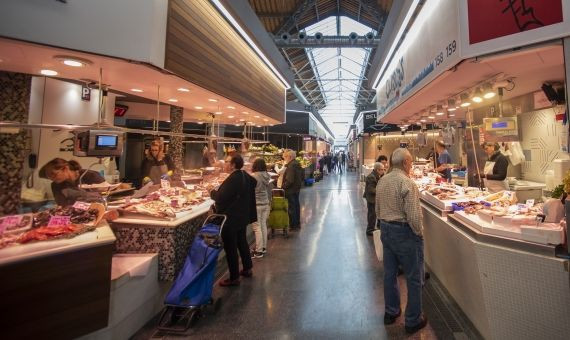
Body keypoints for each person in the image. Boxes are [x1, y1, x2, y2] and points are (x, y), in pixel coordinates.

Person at [376, 148, 427, 334]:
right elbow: (413, 216)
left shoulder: (383, 180)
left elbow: (377, 208)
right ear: (405, 163)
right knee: (413, 277)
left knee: (390, 274)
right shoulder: (407, 183)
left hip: (386, 230)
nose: (411, 166)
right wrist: (419, 234)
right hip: (404, 233)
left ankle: (391, 312)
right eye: (411, 163)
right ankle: (413, 320)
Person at [210, 154, 257, 286]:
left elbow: (220, 197)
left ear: (233, 165)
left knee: (231, 248)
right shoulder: (244, 175)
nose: (224, 163)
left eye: (226, 162)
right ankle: (247, 268)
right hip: (242, 216)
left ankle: (234, 277)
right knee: (242, 242)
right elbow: (254, 182)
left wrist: (211, 192)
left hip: (230, 219)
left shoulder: (233, 178)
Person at [39, 158, 105, 207]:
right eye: (49, 177)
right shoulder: (56, 185)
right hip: (74, 216)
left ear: (65, 168)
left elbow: (107, 195)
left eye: (53, 174)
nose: (52, 179)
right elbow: (63, 206)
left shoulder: (90, 175)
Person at [250, 158, 272, 258]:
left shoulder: (254, 176)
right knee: (263, 225)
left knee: (256, 227)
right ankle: (263, 247)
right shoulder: (266, 175)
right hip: (265, 203)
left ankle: (258, 251)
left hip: (257, 204)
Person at [282, 150, 303, 230]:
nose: (284, 159)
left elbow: (290, 180)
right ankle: (297, 223)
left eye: (285, 157)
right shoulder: (297, 164)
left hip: (290, 190)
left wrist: (283, 186)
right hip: (296, 189)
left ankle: (293, 225)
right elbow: (302, 176)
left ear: (289, 157)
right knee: (296, 206)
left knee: (292, 208)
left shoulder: (291, 166)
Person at [363, 162, 385, 235]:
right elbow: (371, 190)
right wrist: (381, 190)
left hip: (373, 198)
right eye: (382, 169)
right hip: (371, 199)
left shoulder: (376, 175)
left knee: (373, 214)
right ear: (377, 170)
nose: (383, 171)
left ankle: (372, 228)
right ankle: (370, 230)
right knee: (372, 215)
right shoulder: (372, 177)